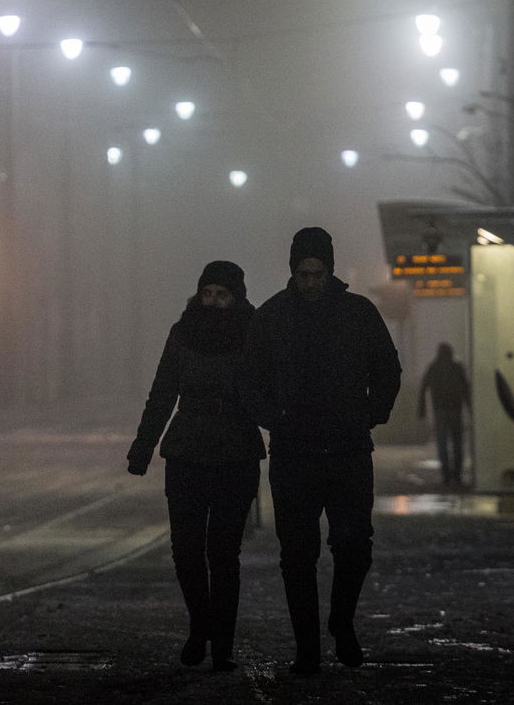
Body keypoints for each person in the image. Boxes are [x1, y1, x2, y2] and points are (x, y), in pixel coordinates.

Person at [240, 227, 401, 674]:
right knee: (298, 553)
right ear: (294, 271)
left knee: (351, 546)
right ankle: (311, 644)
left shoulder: (350, 314)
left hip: (339, 447)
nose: (310, 281)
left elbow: (387, 368)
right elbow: (249, 381)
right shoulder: (278, 317)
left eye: (316, 273)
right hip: (302, 450)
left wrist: (371, 413)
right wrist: (276, 417)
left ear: (328, 270)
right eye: (304, 273)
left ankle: (336, 625)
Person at [127, 260, 265, 672]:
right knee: (185, 550)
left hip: (235, 453)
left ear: (236, 297)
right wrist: (143, 446)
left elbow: (272, 387)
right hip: (187, 450)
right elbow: (162, 391)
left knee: (224, 553)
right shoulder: (183, 332)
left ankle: (221, 643)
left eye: (222, 295)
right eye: (208, 293)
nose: (214, 302)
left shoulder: (254, 333)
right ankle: (200, 627)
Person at [418, 343, 472, 487]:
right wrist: (471, 407)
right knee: (457, 443)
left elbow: (424, 387)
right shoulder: (457, 367)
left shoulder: (434, 367)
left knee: (442, 444)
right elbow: (465, 388)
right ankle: (457, 475)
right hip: (455, 408)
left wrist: (421, 408)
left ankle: (446, 475)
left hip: (440, 409)